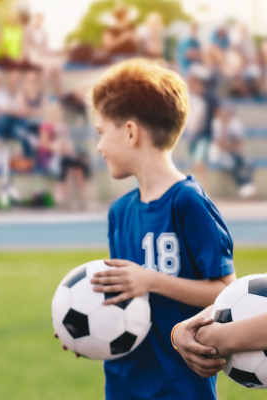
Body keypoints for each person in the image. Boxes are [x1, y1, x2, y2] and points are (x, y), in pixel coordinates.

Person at [61, 59, 237, 400]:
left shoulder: (187, 202)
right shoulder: (120, 212)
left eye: (101, 133)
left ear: (130, 131)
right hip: (124, 381)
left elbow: (224, 291)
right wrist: (84, 326)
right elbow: (124, 296)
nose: (98, 147)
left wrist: (151, 280)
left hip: (180, 385)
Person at [210, 104, 256, 198]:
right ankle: (244, 187)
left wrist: (229, 147)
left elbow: (239, 142)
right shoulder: (216, 124)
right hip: (220, 154)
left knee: (248, 162)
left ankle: (247, 186)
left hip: (234, 152)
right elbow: (219, 145)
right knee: (231, 164)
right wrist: (224, 128)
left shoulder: (235, 123)